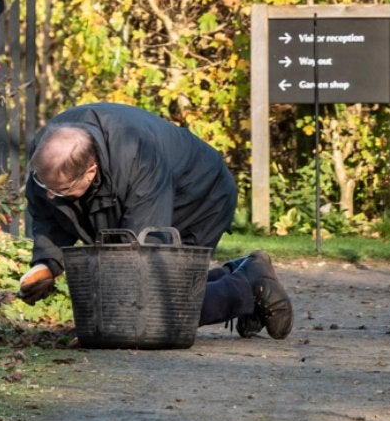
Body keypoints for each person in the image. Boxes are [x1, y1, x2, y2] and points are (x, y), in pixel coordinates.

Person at [18, 102, 292, 338]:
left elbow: (141, 258)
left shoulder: (137, 157)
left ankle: (248, 287)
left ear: (91, 170)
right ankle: (243, 274)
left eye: (61, 190)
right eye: (44, 185)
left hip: (199, 198)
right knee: (146, 306)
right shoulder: (49, 154)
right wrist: (46, 263)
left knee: (158, 312)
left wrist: (110, 325)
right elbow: (47, 211)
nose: (51, 196)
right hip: (158, 194)